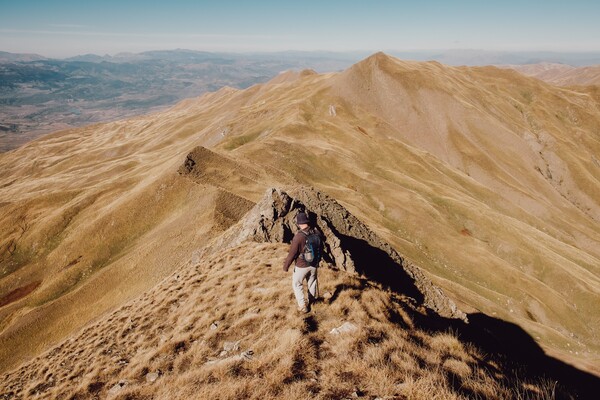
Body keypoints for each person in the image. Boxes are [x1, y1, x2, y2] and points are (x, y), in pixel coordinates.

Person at [283, 212, 321, 313]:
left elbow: (292, 254)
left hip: (301, 266)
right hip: (314, 265)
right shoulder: (317, 233)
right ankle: (312, 302)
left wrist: (286, 266)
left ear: (299, 223)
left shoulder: (298, 237)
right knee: (312, 283)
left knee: (297, 284)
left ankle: (303, 306)